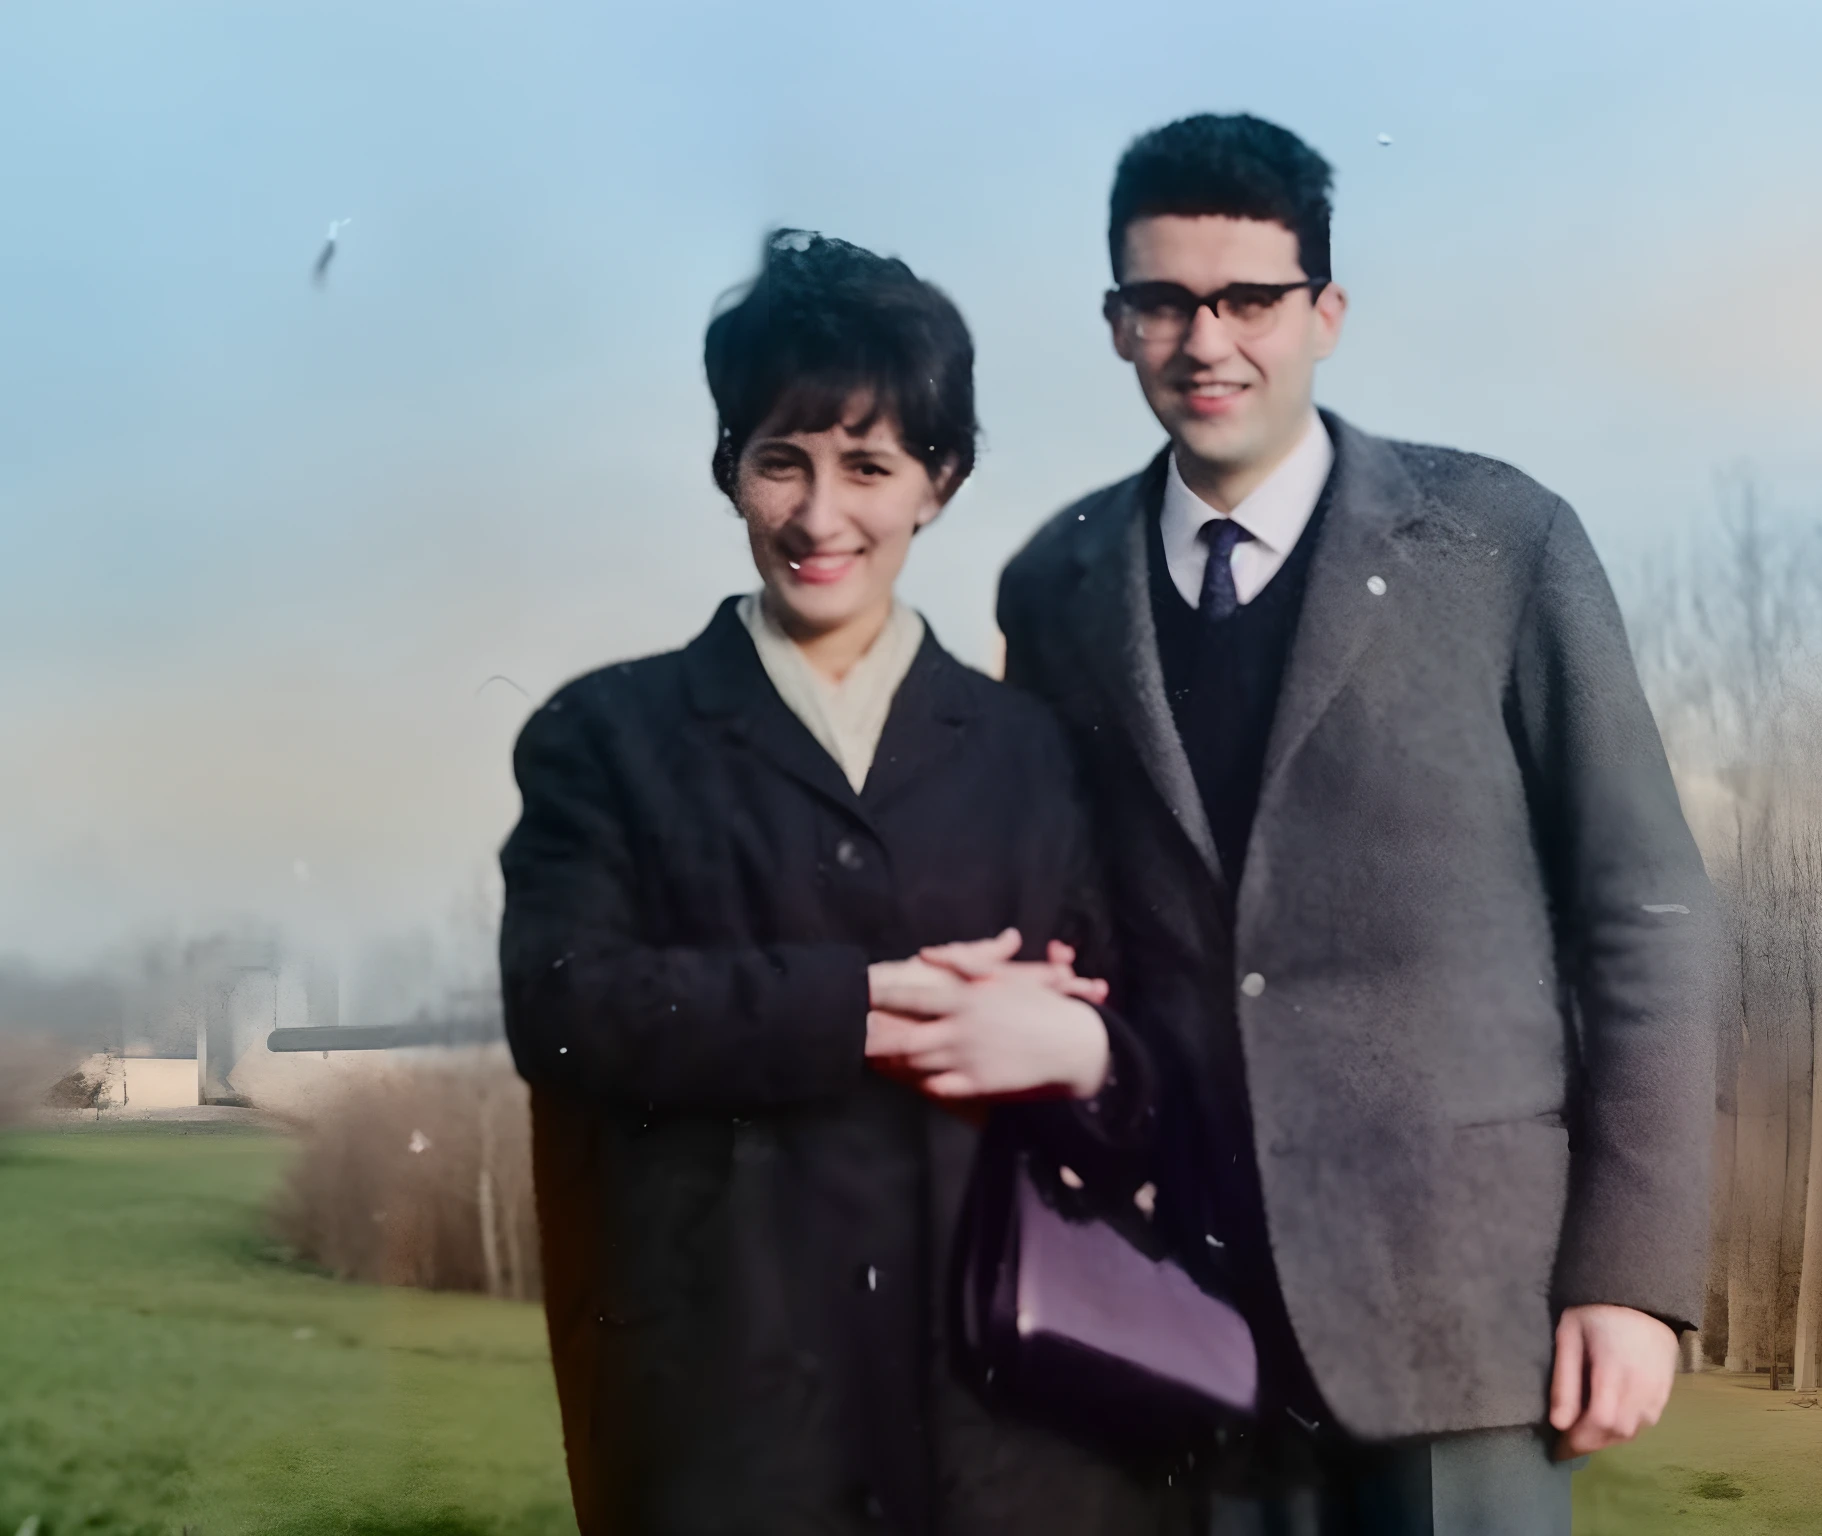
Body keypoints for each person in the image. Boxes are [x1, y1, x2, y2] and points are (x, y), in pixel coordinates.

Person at [989, 114, 1719, 1534]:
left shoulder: (1500, 542)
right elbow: (1065, 928)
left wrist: (1629, 1275)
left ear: (1325, 312)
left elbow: (1648, 918)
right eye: (1163, 302)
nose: (1209, 342)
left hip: (1464, 1324)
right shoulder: (1055, 588)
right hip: (1177, 1320)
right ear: (1116, 322)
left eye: (1250, 298)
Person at [498, 231, 1166, 1535]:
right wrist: (867, 1004)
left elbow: (1138, 1064)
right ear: (727, 468)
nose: (818, 516)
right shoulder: (607, 738)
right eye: (780, 461)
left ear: (941, 479)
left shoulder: (1036, 755)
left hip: (1019, 1442)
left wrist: (1079, 1046)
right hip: (730, 1429)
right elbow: (566, 1004)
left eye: (868, 465)